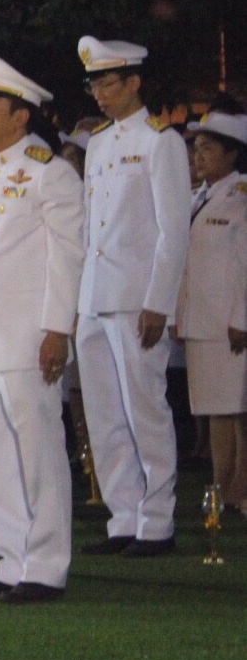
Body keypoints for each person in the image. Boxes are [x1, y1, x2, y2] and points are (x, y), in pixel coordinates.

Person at [0, 56, 85, 604]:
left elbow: (67, 256)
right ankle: (10, 559)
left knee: (38, 450)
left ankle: (47, 565)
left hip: (28, 336)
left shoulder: (48, 172)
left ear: (21, 116)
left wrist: (57, 329)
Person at [74, 36, 191, 557]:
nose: (99, 92)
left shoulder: (160, 141)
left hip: (136, 295)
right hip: (95, 295)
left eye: (107, 82)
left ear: (134, 82)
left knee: (145, 407)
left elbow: (173, 230)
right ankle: (123, 515)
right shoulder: (98, 141)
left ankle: (157, 520)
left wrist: (158, 301)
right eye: (95, 83)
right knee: (104, 412)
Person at [172, 110, 247, 514]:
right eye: (196, 149)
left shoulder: (241, 195)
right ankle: (222, 483)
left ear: (233, 154)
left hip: (229, 320)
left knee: (239, 408)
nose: (198, 156)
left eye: (208, 148)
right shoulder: (198, 196)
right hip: (201, 317)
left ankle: (240, 487)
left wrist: (243, 317)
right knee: (215, 406)